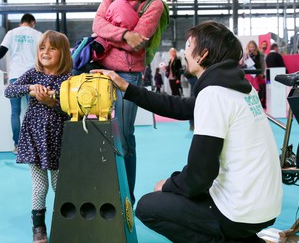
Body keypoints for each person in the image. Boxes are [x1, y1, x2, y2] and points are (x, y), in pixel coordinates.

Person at [92, 21, 282, 243]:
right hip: (265, 206)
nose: (185, 52)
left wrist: (168, 184)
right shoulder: (238, 87)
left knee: (148, 206)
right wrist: (127, 87)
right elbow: (180, 107)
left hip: (240, 212)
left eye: (189, 45)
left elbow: (199, 176)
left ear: (203, 55)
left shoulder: (214, 95)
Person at [90, 0, 164, 204]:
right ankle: (104, 190)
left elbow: (139, 42)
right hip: (99, 67)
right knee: (96, 131)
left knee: (123, 137)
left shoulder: (155, 5)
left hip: (129, 76)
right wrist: (123, 33)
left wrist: (109, 34)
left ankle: (126, 197)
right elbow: (97, 24)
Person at [4, 30, 72, 243]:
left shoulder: (69, 78)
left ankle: (64, 222)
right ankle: (38, 227)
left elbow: (72, 107)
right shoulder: (32, 74)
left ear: (63, 53)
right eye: (42, 48)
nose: (46, 52)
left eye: (52, 48)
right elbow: (9, 91)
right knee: (39, 185)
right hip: (34, 138)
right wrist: (30, 88)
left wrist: (53, 103)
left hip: (59, 138)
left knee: (59, 185)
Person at [0, 13, 42, 154]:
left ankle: (17, 145)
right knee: (33, 112)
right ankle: (34, 145)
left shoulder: (11, 33)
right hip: (32, 76)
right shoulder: (38, 34)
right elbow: (42, 56)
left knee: (15, 112)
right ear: (33, 22)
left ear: (20, 23)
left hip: (15, 76)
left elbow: (1, 51)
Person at [245, 40, 266, 109]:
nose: (252, 48)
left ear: (255, 47)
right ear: (248, 47)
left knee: (258, 90)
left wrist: (261, 73)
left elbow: (262, 65)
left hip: (257, 75)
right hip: (248, 75)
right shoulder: (246, 55)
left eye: (253, 47)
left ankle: (259, 103)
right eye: (250, 47)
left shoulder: (259, 55)